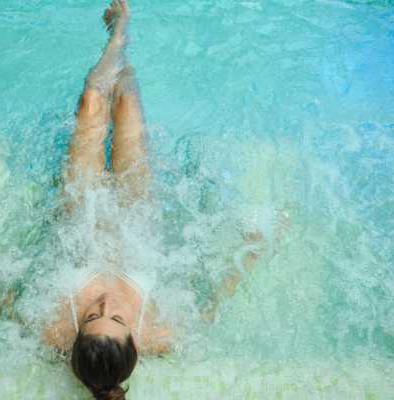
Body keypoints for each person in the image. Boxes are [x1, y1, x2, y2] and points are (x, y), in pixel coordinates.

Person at [41, 1, 282, 399]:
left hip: (83, 211)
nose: (105, 302)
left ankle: (117, 38)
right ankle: (122, 44)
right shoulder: (159, 333)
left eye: (92, 315)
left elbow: (4, 300)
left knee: (91, 103)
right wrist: (253, 248)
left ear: (76, 334)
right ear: (135, 340)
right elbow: (212, 306)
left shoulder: (55, 330)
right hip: (134, 213)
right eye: (117, 318)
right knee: (126, 104)